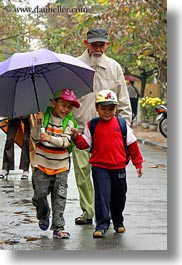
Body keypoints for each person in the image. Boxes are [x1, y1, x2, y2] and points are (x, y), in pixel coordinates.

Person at [72, 28, 132, 225]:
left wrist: (125, 131)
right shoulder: (75, 66)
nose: (98, 48)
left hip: (108, 133)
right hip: (82, 129)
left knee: (109, 177)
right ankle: (89, 212)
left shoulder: (114, 67)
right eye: (94, 44)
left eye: (101, 44)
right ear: (85, 43)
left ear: (107, 45)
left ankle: (108, 212)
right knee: (82, 174)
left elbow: (123, 102)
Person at [72, 89, 143, 238]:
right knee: (102, 196)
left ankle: (118, 221)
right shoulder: (92, 125)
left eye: (111, 108)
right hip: (100, 168)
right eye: (103, 108)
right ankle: (102, 225)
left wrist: (138, 163)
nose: (107, 112)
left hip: (119, 167)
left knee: (119, 196)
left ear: (116, 108)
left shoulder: (122, 124)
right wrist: (76, 137)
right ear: (97, 108)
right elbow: (84, 144)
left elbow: (132, 145)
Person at [30, 88, 80, 239]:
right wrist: (38, 123)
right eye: (63, 105)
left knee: (59, 197)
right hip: (41, 164)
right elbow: (35, 138)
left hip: (61, 166)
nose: (66, 109)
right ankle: (43, 215)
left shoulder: (70, 123)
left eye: (69, 107)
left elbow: (65, 142)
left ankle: (58, 227)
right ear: (54, 103)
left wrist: (50, 138)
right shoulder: (43, 117)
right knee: (40, 196)